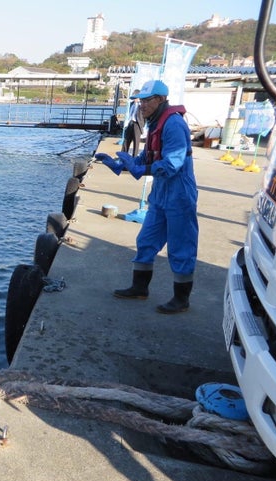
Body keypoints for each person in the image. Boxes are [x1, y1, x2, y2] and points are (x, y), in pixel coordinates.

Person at [93, 79, 198, 314]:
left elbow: (173, 163)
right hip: (160, 193)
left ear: (160, 99)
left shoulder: (173, 124)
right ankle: (139, 288)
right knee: (146, 240)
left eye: (146, 101)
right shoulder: (156, 122)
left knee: (181, 246)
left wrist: (143, 170)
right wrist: (121, 164)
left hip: (179, 193)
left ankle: (182, 299)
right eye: (139, 101)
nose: (141, 106)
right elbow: (147, 158)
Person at [121, 89, 145, 157]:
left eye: (135, 97)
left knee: (136, 143)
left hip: (137, 124)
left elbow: (144, 116)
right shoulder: (132, 104)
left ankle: (134, 158)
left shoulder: (142, 105)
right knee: (126, 141)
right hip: (130, 123)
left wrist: (142, 125)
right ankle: (122, 156)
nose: (134, 99)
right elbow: (129, 114)